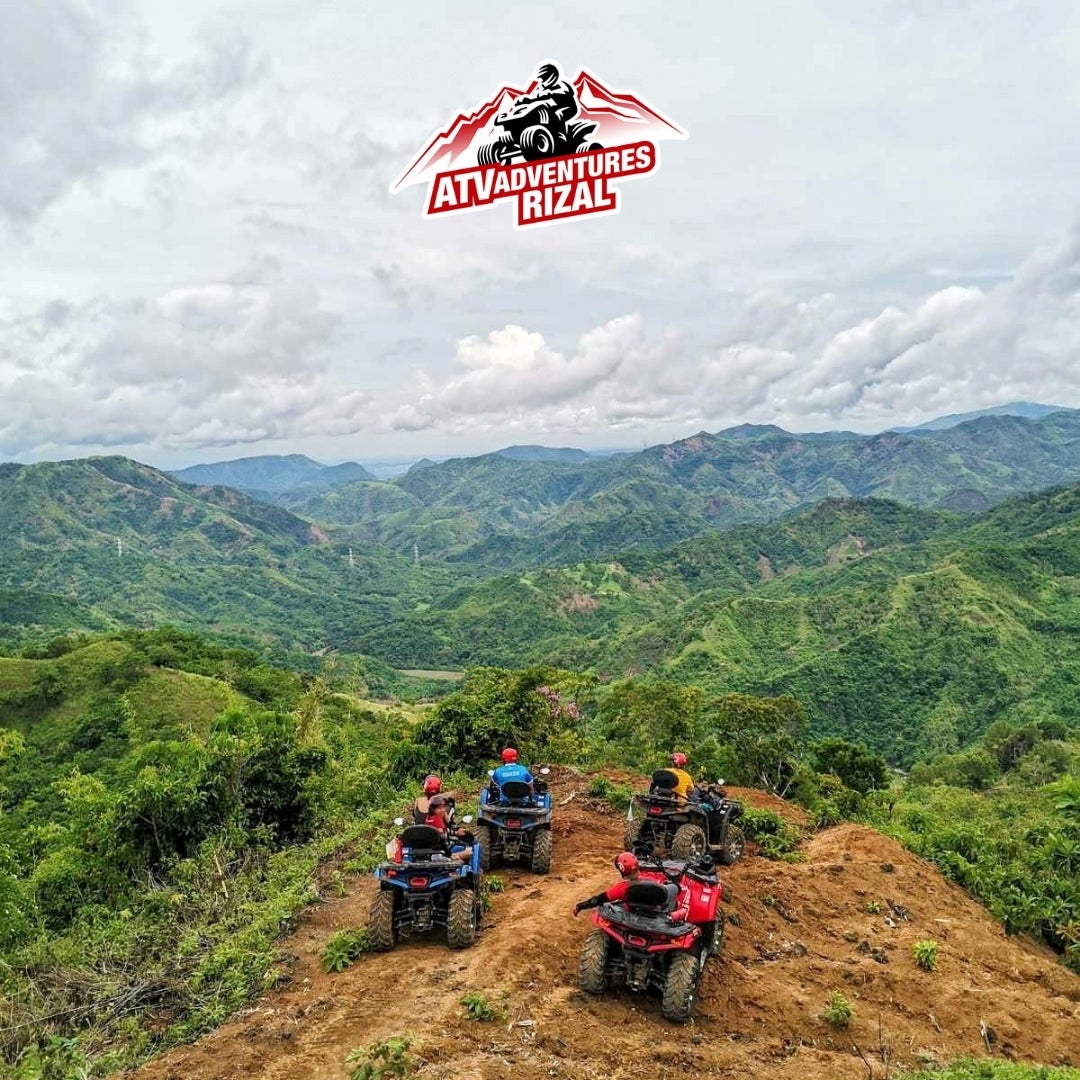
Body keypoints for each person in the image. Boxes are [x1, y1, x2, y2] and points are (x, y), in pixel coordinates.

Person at [572, 851, 688, 921]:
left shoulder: (620, 889)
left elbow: (598, 899)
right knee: (674, 887)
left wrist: (580, 906)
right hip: (657, 914)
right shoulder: (652, 881)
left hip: (632, 913)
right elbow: (670, 889)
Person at [515, 62, 579, 140]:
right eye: (541, 78)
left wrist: (551, 92)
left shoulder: (561, 84)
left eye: (543, 77)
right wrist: (526, 100)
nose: (541, 81)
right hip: (551, 107)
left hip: (568, 107)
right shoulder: (541, 89)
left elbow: (568, 91)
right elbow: (535, 97)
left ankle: (560, 136)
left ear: (550, 76)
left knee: (556, 116)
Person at [425, 795, 472, 862]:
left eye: (443, 807)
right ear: (432, 809)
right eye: (439, 808)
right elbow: (441, 838)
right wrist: (450, 855)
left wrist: (455, 832)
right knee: (470, 852)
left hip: (436, 853)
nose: (442, 810)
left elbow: (447, 826)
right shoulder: (437, 819)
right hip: (441, 854)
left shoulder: (429, 818)